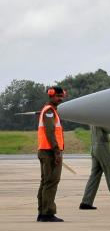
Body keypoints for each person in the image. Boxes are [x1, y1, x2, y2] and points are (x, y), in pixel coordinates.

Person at [79, 125, 110, 210]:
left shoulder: (93, 117)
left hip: (94, 147)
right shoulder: (101, 118)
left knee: (94, 176)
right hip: (103, 147)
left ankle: (86, 202)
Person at [37, 86, 66, 222]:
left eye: (62, 96)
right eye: (58, 96)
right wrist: (56, 152)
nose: (60, 99)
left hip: (46, 151)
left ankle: (42, 212)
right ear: (51, 95)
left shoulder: (50, 110)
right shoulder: (49, 111)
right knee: (51, 182)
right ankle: (47, 213)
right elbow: (50, 132)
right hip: (49, 152)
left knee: (45, 182)